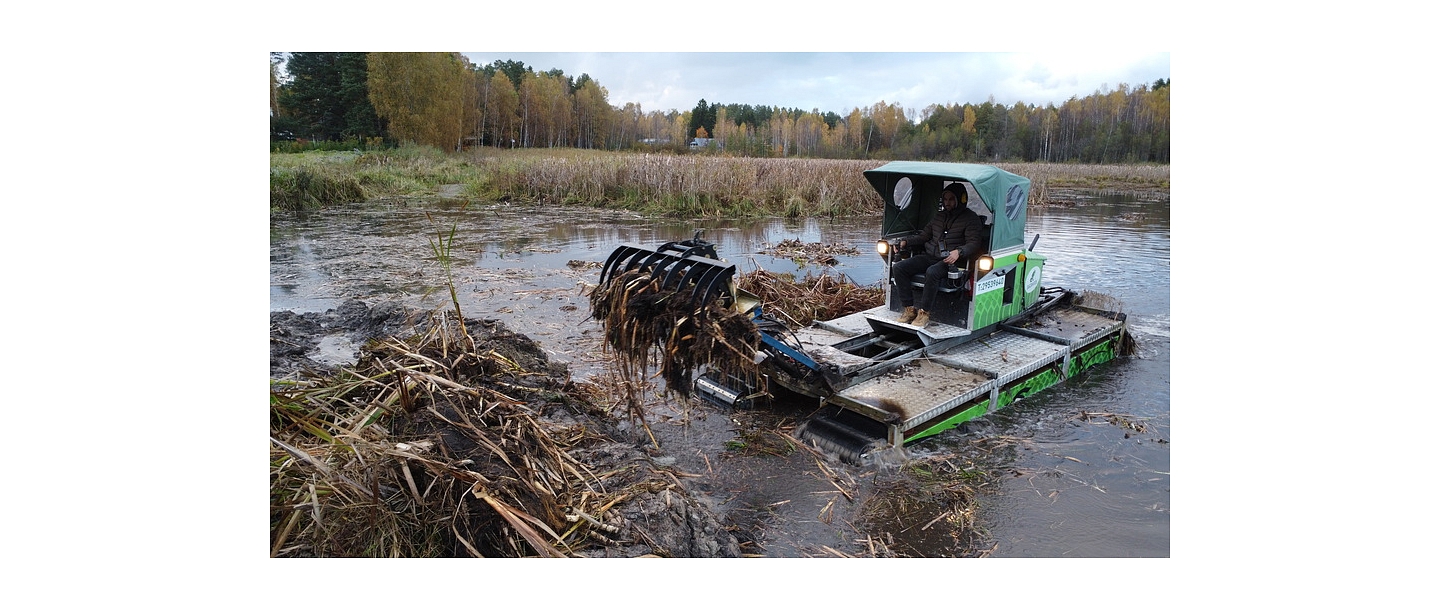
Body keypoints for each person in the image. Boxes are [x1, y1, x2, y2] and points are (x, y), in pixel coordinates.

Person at [891, 183, 987, 328]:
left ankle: (924, 313)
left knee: (932, 272)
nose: (947, 203)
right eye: (945, 199)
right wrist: (905, 242)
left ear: (960, 200)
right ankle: (909, 309)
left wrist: (959, 252)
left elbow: (974, 243)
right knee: (899, 267)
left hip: (951, 262)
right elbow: (924, 237)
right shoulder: (939, 216)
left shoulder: (970, 219)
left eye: (951, 199)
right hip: (930, 256)